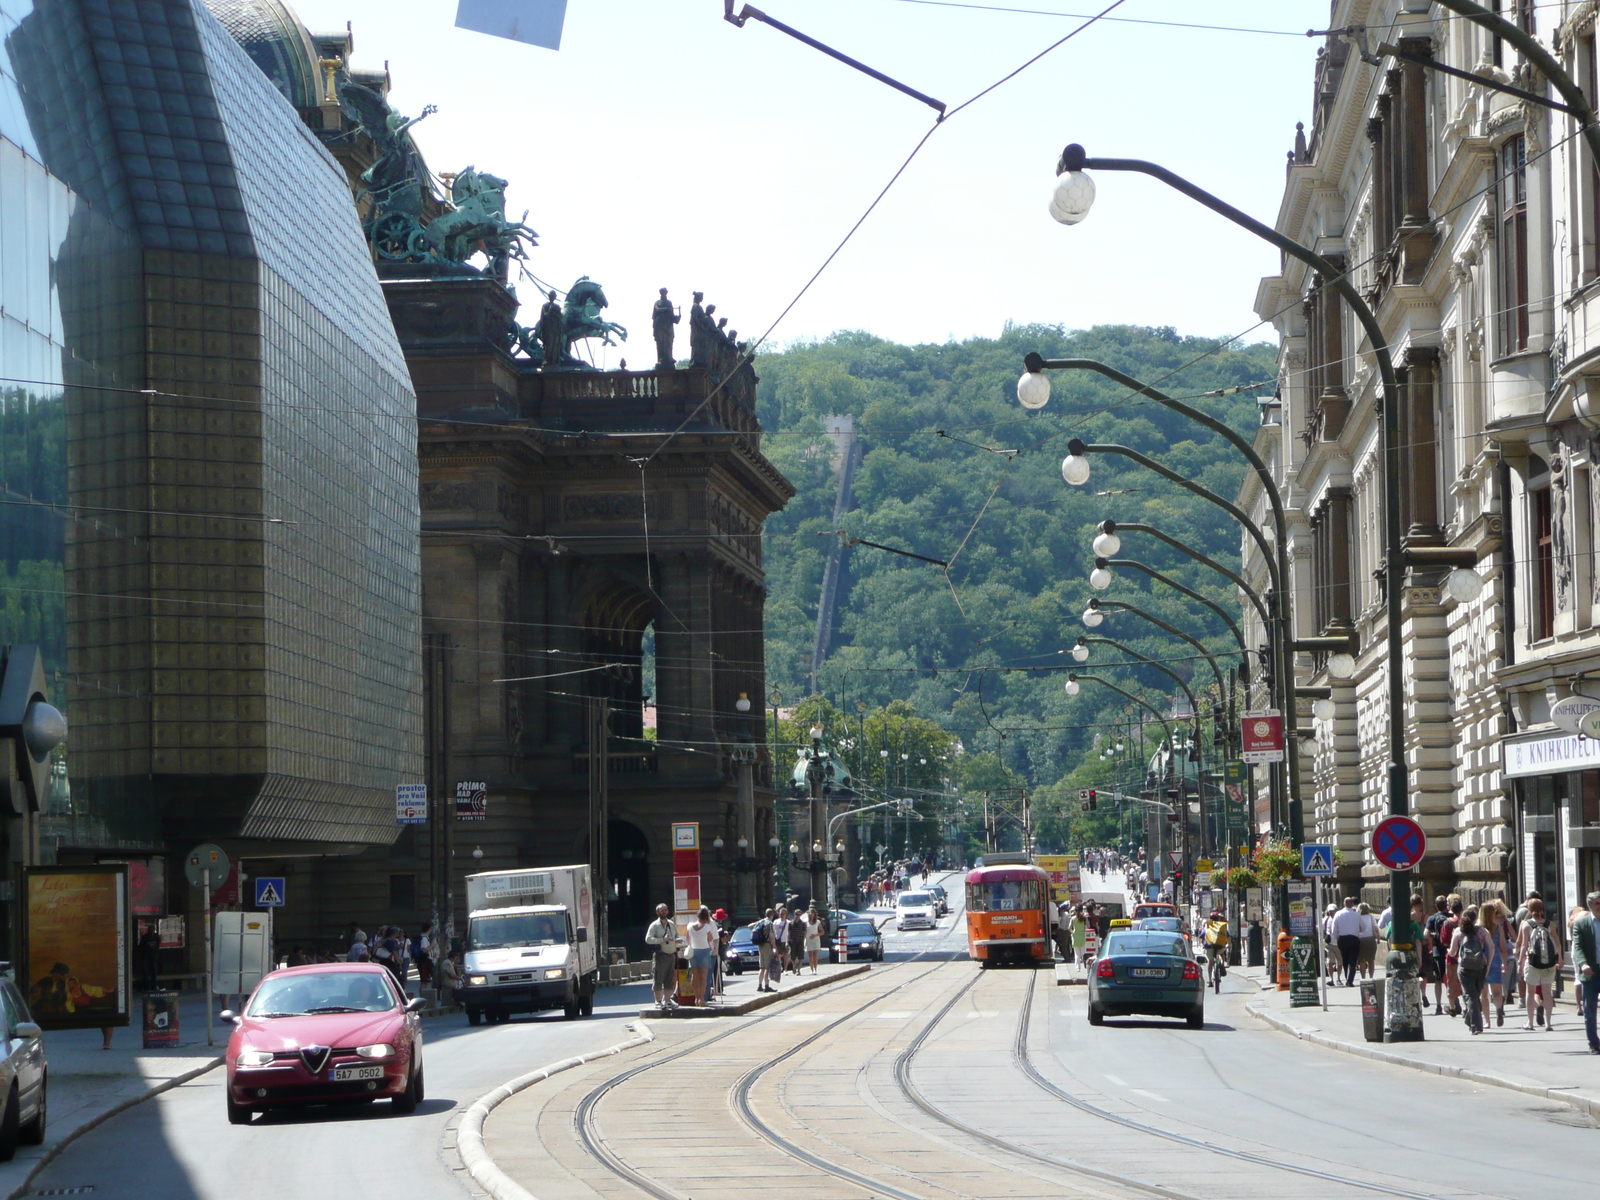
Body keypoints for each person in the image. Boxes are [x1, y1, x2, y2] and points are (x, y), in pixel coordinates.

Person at [1515, 897, 1561, 1031]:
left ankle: (1530, 1022)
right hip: (1549, 963)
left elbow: (1524, 945)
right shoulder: (1550, 924)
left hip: (1533, 962)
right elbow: (1557, 943)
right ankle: (1548, 1023)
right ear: (1542, 909)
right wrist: (1559, 958)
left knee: (1531, 992)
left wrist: (1520, 962)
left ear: (1529, 910)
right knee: (1547, 992)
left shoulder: (1526, 924)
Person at [1452, 905, 1492, 1034]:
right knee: (1475, 996)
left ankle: (1475, 1026)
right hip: (1480, 966)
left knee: (1470, 996)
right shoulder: (1482, 931)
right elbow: (1491, 948)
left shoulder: (1458, 932)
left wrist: (1449, 951)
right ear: (1475, 919)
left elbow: (1453, 952)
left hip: (1464, 968)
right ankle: (1471, 1021)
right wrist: (1488, 964)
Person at [1573, 891, 1600, 1054]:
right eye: (1597, 903)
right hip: (1590, 972)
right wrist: (1583, 964)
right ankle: (1594, 1043)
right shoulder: (1581, 923)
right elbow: (1578, 947)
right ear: (1590, 905)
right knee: (1590, 1009)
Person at [1481, 899, 1514, 1027]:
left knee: (1483, 993)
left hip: (1482, 961)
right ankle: (1499, 1008)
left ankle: (1487, 1021)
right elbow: (1502, 947)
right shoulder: (1498, 928)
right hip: (1495, 960)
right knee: (1496, 992)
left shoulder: (1479, 928)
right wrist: (1504, 963)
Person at [645, 903, 681, 1011]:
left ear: (668, 911)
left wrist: (677, 940)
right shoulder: (654, 925)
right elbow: (648, 939)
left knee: (669, 979)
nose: (664, 912)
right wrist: (661, 940)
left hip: (671, 955)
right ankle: (658, 1001)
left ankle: (668, 1001)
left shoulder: (671, 923)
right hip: (660, 956)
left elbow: (676, 935)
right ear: (657, 913)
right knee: (658, 978)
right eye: (661, 910)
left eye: (665, 910)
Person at [1424, 896, 1452, 1015]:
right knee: (1451, 978)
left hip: (1437, 951)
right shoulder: (1450, 917)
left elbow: (1426, 934)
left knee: (1438, 980)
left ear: (1436, 906)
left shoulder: (1432, 918)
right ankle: (1453, 1003)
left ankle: (1439, 1005)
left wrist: (1432, 945)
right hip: (1451, 951)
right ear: (1446, 905)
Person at [685, 906, 718, 1005]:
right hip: (704, 952)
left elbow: (687, 938)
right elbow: (711, 938)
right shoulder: (707, 927)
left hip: (693, 952)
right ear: (706, 917)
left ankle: (696, 998)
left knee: (694, 976)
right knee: (703, 977)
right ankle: (701, 999)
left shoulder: (690, 926)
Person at [1441, 895, 1465, 1015]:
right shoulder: (1465, 923)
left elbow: (1444, 940)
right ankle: (1466, 1006)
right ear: (1462, 910)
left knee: (1451, 981)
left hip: (1451, 957)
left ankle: (1452, 1007)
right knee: (1464, 981)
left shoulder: (1447, 923)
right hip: (1464, 956)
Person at [1331, 897, 1363, 988]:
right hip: (1354, 939)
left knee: (1345, 959)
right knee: (1353, 961)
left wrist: (1336, 938)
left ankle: (1346, 977)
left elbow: (1333, 929)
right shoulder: (1357, 915)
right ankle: (1350, 980)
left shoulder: (1338, 914)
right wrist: (1357, 930)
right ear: (1352, 904)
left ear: (1344, 904)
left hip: (1342, 939)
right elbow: (1363, 927)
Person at [753, 908, 778, 992]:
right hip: (767, 945)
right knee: (767, 967)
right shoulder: (770, 923)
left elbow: (750, 926)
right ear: (772, 915)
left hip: (760, 945)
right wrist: (775, 947)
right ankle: (766, 986)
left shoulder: (761, 922)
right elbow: (771, 937)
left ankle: (759, 985)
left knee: (762, 967)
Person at [1356, 902, 1378, 981]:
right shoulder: (1371, 917)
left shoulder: (1357, 917)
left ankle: (1363, 978)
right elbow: (1376, 928)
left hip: (1361, 939)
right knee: (1371, 960)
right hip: (1370, 939)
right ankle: (1371, 977)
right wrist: (1378, 938)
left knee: (1362, 960)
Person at [138, 922, 162, 992]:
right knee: (146, 972)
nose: (151, 931)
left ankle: (154, 986)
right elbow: (141, 947)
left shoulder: (156, 937)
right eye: (150, 930)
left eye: (152, 930)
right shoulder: (145, 937)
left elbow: (158, 946)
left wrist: (157, 955)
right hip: (146, 956)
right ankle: (147, 986)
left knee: (154, 972)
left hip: (153, 956)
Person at [803, 904, 824, 974]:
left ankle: (815, 969)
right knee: (810, 954)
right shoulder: (806, 922)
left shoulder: (817, 922)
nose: (811, 914)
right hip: (809, 939)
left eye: (812, 913)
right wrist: (804, 940)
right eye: (810, 913)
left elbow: (822, 932)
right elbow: (804, 932)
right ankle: (811, 969)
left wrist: (816, 935)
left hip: (815, 939)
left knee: (815, 954)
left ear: (815, 914)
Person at [787, 903, 807, 972]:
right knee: (792, 957)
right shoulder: (791, 923)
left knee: (800, 957)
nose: (797, 916)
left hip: (800, 941)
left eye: (799, 914)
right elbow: (789, 933)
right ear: (794, 914)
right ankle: (795, 965)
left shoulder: (803, 923)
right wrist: (787, 941)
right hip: (793, 941)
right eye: (796, 914)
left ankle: (798, 970)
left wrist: (804, 941)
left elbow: (805, 932)